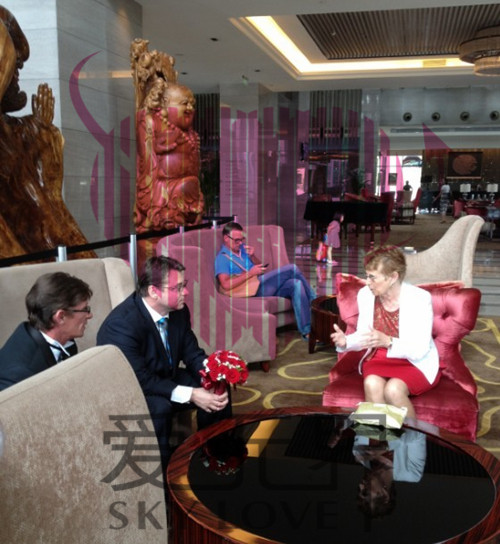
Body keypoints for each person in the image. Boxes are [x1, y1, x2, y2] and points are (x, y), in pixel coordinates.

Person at [97, 256, 231, 466]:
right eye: (178, 288)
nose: (186, 292)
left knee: (217, 386)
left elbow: (192, 353)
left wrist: (213, 373)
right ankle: (163, 474)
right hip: (134, 389)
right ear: (153, 291)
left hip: (164, 376)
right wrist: (192, 394)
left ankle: (214, 455)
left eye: (184, 285)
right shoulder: (122, 325)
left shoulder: (178, 311)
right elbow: (141, 379)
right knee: (160, 407)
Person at [331, 245, 441, 420]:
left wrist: (389, 341)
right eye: (367, 276)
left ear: (393, 277)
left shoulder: (419, 299)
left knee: (393, 390)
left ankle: (412, 438)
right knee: (372, 383)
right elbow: (365, 334)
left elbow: (420, 349)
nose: (367, 282)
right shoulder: (366, 295)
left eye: (373, 277)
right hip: (379, 357)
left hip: (413, 361)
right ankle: (378, 436)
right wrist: (346, 342)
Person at [215, 222, 316, 339]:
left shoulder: (242, 250)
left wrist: (253, 256)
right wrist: (250, 273)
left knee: (296, 284)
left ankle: (307, 332)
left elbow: (260, 269)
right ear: (226, 238)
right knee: (292, 269)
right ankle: (315, 301)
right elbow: (226, 284)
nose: (240, 243)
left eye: (242, 239)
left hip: (258, 284)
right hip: (249, 292)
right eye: (237, 240)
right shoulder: (222, 258)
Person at [0, 272, 93, 391]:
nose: (90, 315)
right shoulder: (20, 374)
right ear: (61, 317)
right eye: (85, 309)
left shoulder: (64, 340)